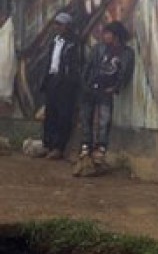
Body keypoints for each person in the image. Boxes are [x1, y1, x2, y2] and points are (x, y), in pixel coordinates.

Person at [77, 20, 135, 166]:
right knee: (86, 118)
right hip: (91, 87)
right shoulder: (99, 48)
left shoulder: (126, 53)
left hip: (106, 90)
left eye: (108, 33)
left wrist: (115, 88)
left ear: (116, 36)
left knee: (104, 120)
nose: (104, 36)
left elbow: (125, 73)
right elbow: (88, 66)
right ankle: (86, 147)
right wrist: (84, 83)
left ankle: (100, 149)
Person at [36, 12, 82, 160]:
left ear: (68, 26)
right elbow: (50, 61)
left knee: (64, 115)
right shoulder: (54, 41)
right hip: (52, 79)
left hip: (65, 83)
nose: (57, 27)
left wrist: (70, 80)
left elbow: (77, 64)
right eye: (56, 24)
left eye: (60, 25)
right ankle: (47, 144)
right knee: (50, 114)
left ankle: (58, 147)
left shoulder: (74, 43)